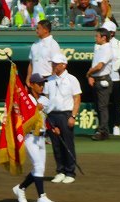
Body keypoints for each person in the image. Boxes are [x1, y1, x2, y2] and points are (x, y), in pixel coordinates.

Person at [10, 73, 55, 202]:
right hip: (29, 137)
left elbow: (45, 118)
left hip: (41, 137)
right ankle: (41, 197)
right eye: (39, 84)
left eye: (42, 84)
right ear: (31, 84)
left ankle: (20, 188)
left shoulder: (45, 100)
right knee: (38, 166)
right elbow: (24, 120)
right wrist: (36, 109)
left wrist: (52, 128)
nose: (41, 86)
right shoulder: (26, 100)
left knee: (39, 169)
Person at [43, 53, 81, 185]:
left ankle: (70, 172)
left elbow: (77, 99)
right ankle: (60, 171)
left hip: (66, 114)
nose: (53, 66)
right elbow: (46, 98)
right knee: (56, 144)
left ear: (63, 65)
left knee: (68, 144)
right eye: (52, 63)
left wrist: (73, 116)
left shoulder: (72, 79)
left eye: (56, 64)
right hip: (52, 115)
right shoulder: (49, 80)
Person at [86, 26, 114, 141]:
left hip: (103, 80)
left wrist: (88, 73)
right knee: (99, 106)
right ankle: (104, 131)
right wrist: (91, 76)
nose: (95, 38)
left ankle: (102, 131)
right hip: (97, 79)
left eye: (97, 36)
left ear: (104, 38)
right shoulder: (99, 48)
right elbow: (94, 64)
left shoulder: (107, 49)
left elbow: (99, 66)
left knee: (102, 107)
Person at [102, 21, 120, 137]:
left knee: (116, 103)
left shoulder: (118, 43)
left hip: (114, 77)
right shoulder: (100, 44)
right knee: (103, 104)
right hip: (102, 78)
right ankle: (103, 127)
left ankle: (117, 125)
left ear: (112, 33)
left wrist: (111, 69)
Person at [27, 19, 60, 86]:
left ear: (45, 30)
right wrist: (28, 78)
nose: (36, 30)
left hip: (47, 79)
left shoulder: (53, 44)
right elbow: (31, 63)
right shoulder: (34, 44)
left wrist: (52, 81)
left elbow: (56, 64)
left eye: (38, 28)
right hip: (34, 80)